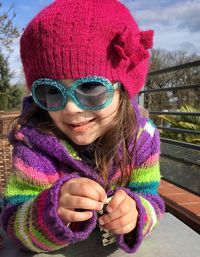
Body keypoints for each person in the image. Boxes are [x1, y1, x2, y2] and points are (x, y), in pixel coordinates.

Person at [2, 0, 165, 255]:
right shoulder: (34, 142)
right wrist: (48, 211)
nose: (70, 109)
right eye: (50, 92)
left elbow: (152, 200)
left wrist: (136, 214)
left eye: (90, 88)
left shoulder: (141, 138)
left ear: (123, 90)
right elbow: (13, 221)